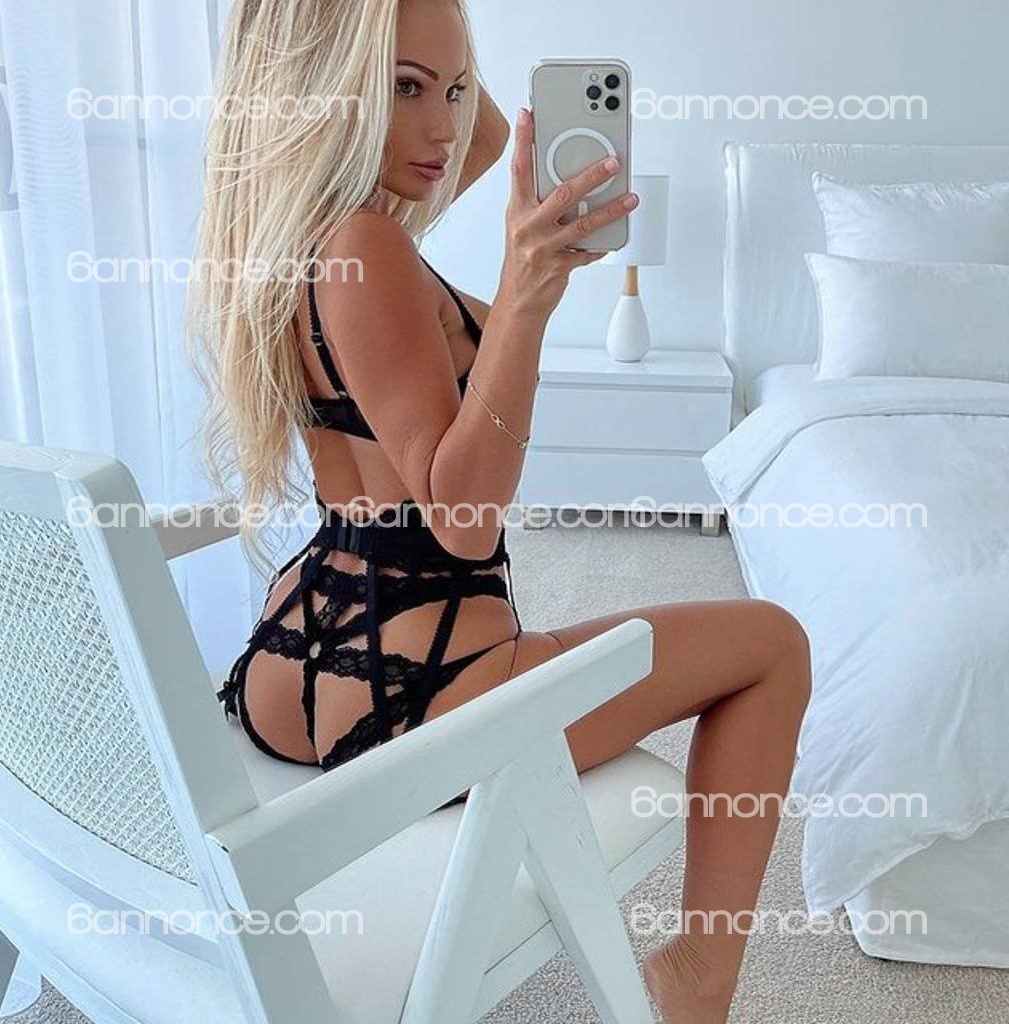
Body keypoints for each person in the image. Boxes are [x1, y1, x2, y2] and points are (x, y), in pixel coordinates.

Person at [188, 1, 812, 1020]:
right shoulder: (369, 246)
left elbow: (470, 134)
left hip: (290, 662)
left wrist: (428, 64)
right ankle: (698, 980)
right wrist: (523, 297)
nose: (443, 126)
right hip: (424, 689)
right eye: (402, 87)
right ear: (322, 87)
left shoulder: (298, 233)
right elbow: (461, 520)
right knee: (773, 644)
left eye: (451, 88)